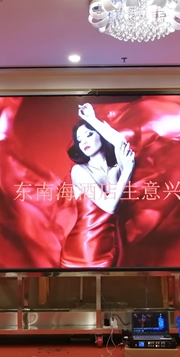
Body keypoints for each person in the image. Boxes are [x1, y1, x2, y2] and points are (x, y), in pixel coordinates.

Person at [59, 103, 135, 267]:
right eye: (79, 140)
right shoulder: (79, 171)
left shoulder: (115, 169)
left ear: (101, 135)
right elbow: (109, 207)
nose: (84, 142)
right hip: (84, 249)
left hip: (112, 245)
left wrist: (92, 119)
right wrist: (127, 170)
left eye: (89, 134)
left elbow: (121, 143)